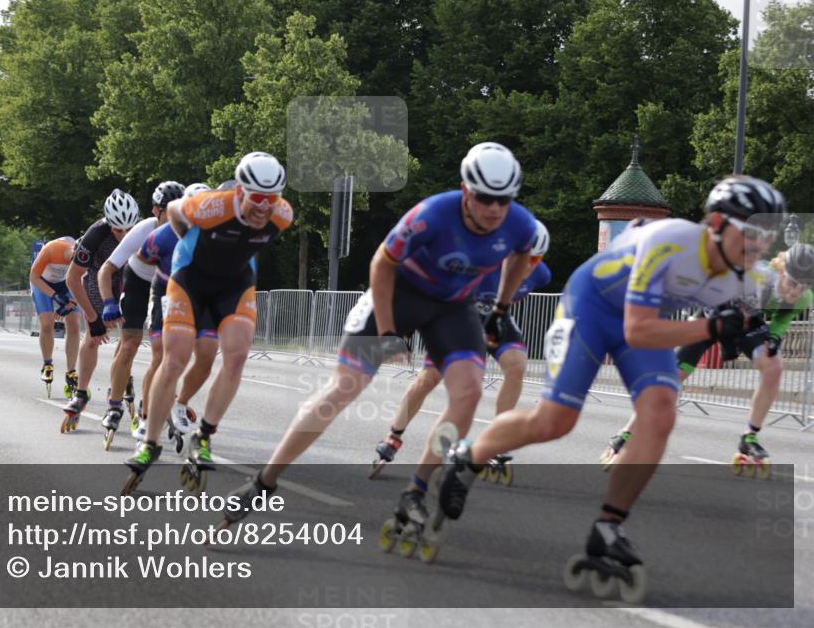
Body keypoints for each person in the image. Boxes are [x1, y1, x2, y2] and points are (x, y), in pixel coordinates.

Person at [436, 175, 784, 598]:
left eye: (768, 234)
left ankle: (608, 527)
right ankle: (469, 455)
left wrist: (761, 349)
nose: (760, 244)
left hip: (641, 320)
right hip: (593, 306)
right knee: (555, 422)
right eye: (751, 232)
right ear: (715, 222)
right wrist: (712, 325)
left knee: (660, 413)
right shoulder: (673, 243)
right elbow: (639, 331)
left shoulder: (748, 278)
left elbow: (749, 339)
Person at [217, 142, 538, 530]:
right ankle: (263, 481)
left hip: (452, 308)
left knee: (469, 393)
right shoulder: (434, 213)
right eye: (485, 198)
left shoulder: (518, 223)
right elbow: (382, 263)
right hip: (398, 294)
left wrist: (501, 309)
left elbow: (522, 255)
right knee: (345, 387)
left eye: (504, 200)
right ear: (466, 190)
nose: (495, 210)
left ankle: (415, 493)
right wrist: (387, 332)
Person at [123, 153, 293, 489]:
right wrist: (191, 239)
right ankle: (150, 443)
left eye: (271, 199)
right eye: (257, 198)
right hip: (190, 280)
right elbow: (173, 211)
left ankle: (204, 434)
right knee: (174, 359)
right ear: (240, 192)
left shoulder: (282, 215)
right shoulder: (212, 206)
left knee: (237, 356)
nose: (264, 207)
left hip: (235, 285)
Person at [602, 241, 814, 473]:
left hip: (747, 321)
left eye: (803, 286)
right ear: (782, 271)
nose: (795, 292)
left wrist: (774, 337)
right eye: (793, 283)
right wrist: (726, 343)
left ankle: (749, 438)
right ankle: (625, 434)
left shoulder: (804, 298)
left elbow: (783, 319)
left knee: (774, 367)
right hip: (713, 312)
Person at [370, 220, 552, 478]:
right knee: (429, 378)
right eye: (521, 259)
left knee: (517, 365)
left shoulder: (541, 275)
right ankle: (394, 435)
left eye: (534, 260)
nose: (527, 267)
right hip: (457, 316)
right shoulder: (479, 262)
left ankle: (497, 437)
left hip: (494, 316)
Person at [96, 182, 184, 448]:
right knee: (130, 344)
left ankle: (155, 400)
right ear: (156, 211)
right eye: (171, 211)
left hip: (168, 287)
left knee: (167, 351)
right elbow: (105, 271)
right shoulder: (145, 229)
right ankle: (114, 406)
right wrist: (109, 303)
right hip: (137, 279)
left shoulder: (190, 229)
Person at [131, 182, 220, 446]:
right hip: (168, 291)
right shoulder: (163, 235)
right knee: (162, 355)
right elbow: (137, 267)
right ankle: (147, 417)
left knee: (206, 353)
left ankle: (179, 403)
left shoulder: (220, 236)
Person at [60, 189, 140, 432]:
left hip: (128, 277)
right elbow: (72, 279)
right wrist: (93, 318)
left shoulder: (145, 230)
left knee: (128, 337)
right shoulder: (95, 235)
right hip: (97, 276)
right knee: (93, 337)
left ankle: (120, 378)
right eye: (117, 230)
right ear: (108, 223)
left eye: (128, 229)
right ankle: (81, 393)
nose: (123, 235)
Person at [29, 236, 80, 397]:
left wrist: (72, 304)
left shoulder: (84, 259)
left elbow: (82, 285)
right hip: (42, 282)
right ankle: (47, 364)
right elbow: (33, 277)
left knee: (74, 324)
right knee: (47, 323)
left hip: (66, 284)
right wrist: (55, 297)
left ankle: (71, 370)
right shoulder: (52, 249)